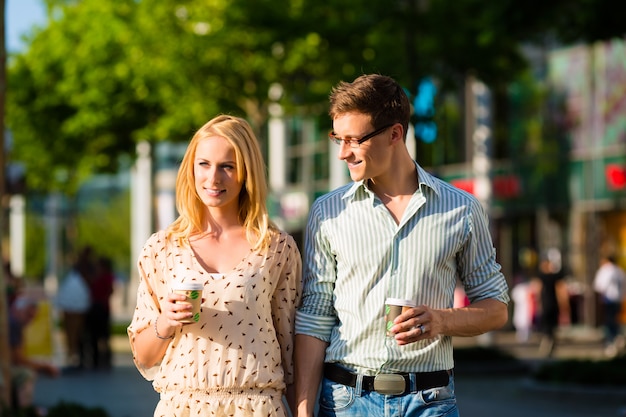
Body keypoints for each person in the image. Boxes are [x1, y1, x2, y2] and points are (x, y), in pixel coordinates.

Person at [294, 74, 509, 417]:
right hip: (345, 403)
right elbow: (314, 317)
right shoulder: (328, 212)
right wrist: (303, 408)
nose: (343, 153)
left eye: (354, 140)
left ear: (394, 133)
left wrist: (441, 321)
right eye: (338, 139)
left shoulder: (462, 210)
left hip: (429, 404)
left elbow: (496, 308)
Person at [127, 114, 302, 417]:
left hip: (257, 407)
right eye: (204, 164)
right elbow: (143, 355)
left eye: (227, 166)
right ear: (191, 169)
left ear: (246, 173)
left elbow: (292, 350)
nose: (213, 178)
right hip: (181, 408)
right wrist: (166, 321)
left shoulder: (276, 248)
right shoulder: (161, 248)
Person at [9, 296, 60, 411]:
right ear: (18, 310)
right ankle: (25, 411)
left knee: (27, 372)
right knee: (26, 374)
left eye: (32, 317)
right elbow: (18, 360)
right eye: (28, 315)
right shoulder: (14, 323)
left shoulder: (14, 322)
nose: (29, 320)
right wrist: (44, 367)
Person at [56, 246, 94, 369]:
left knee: (72, 332)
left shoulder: (77, 272)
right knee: (73, 332)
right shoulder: (83, 270)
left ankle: (73, 354)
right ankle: (72, 354)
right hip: (76, 304)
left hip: (75, 304)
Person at [535, 251, 569, 357]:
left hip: (548, 303)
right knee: (550, 326)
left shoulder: (543, 277)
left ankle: (548, 344)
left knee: (548, 326)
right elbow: (561, 291)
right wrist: (564, 304)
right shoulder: (554, 277)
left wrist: (538, 303)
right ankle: (549, 344)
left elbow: (538, 290)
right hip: (552, 303)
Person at [593, 255, 626, 356]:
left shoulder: (605, 270)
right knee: (615, 319)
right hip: (618, 299)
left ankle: (611, 341)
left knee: (609, 321)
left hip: (608, 299)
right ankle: (618, 337)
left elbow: (599, 286)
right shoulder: (620, 271)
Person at [86, 256, 115, 369]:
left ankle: (104, 359)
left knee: (102, 335)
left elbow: (110, 289)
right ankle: (97, 359)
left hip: (101, 306)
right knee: (95, 335)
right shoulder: (97, 276)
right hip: (97, 306)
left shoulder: (104, 276)